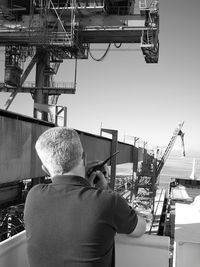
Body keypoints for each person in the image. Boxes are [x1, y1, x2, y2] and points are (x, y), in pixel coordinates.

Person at [24, 127, 146, 267]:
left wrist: (85, 185)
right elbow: (140, 228)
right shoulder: (107, 201)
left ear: (45, 169)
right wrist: (104, 189)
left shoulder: (33, 196)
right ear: (84, 157)